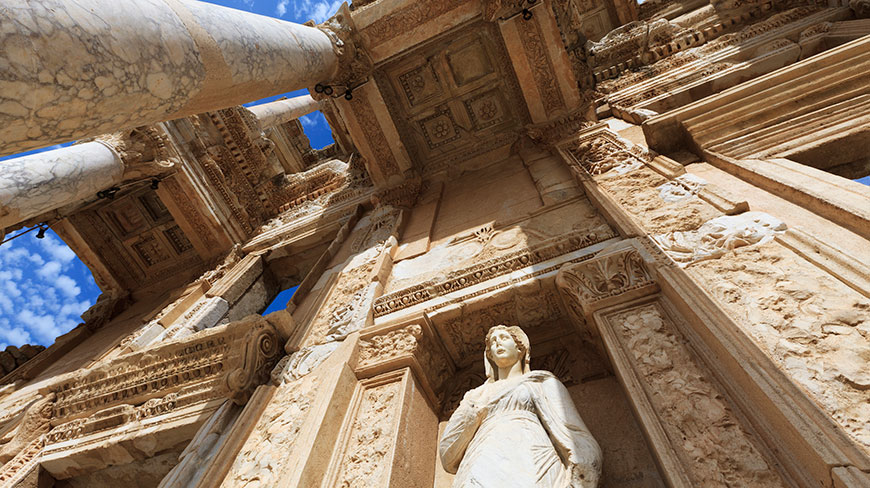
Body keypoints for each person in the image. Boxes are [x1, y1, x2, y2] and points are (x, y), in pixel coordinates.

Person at [439, 325, 601, 487]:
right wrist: (474, 415)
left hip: (532, 457)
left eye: (504, 338)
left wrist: (582, 472)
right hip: (482, 460)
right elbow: (447, 454)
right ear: (489, 356)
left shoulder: (541, 382)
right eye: (493, 342)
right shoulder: (476, 395)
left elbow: (572, 430)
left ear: (520, 348)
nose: (498, 344)